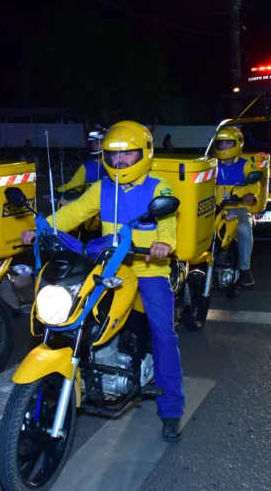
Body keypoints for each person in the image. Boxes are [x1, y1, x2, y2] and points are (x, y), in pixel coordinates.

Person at [21, 120, 185, 442]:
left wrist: (164, 243)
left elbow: (166, 223)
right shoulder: (102, 188)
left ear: (145, 154)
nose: (119, 162)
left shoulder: (158, 187)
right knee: (75, 308)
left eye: (127, 156)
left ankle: (171, 409)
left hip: (148, 267)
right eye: (113, 156)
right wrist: (43, 227)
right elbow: (74, 213)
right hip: (110, 264)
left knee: (163, 333)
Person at [213, 125, 261, 289]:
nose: (223, 147)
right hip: (216, 209)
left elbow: (254, 183)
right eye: (220, 144)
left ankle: (245, 269)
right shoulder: (211, 165)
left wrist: (251, 195)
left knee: (244, 230)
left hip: (239, 207)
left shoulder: (246, 164)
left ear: (238, 143)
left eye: (227, 143)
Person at [57, 126, 108, 194]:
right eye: (91, 144)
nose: (93, 146)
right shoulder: (87, 166)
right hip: (92, 200)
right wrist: (57, 191)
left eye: (96, 143)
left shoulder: (113, 162)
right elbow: (73, 184)